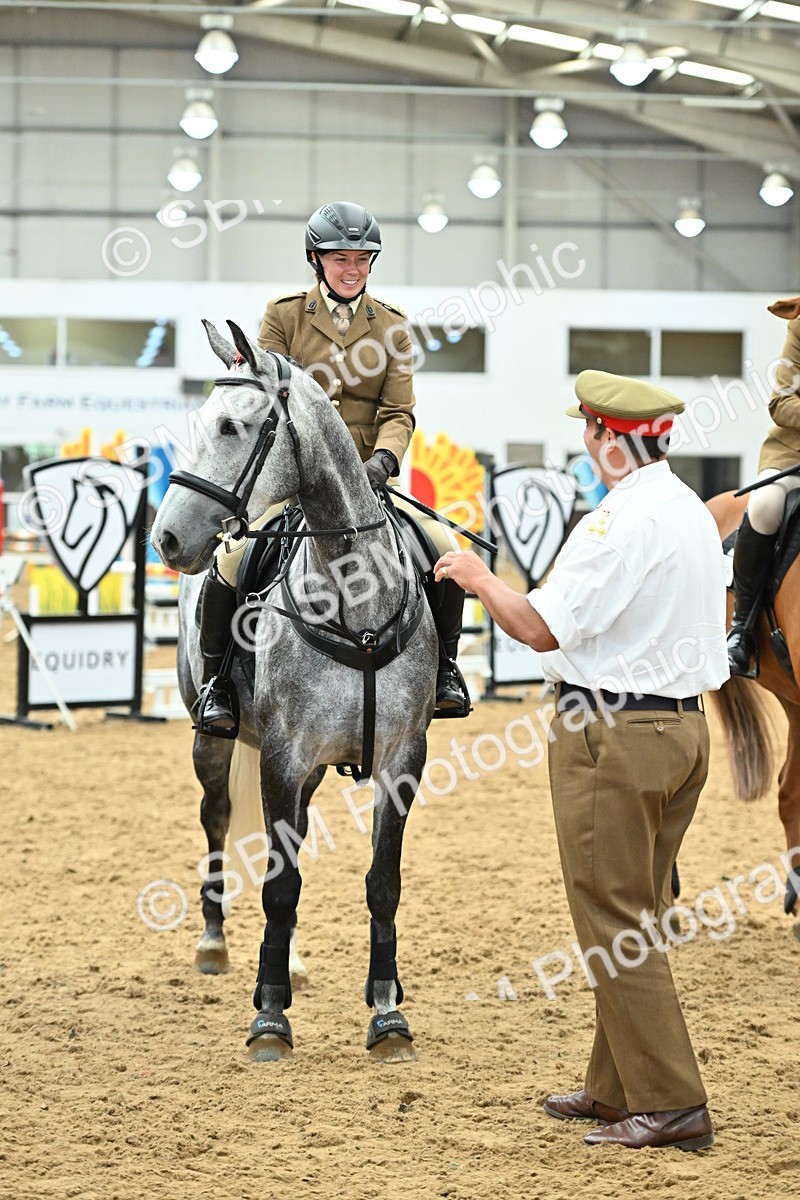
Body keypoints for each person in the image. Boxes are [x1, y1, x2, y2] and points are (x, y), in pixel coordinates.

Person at [434, 370, 729, 1152]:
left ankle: (670, 1103)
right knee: (635, 909)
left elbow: (537, 628)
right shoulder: (690, 513)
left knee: (612, 913)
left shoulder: (617, 520)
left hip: (614, 737)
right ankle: (616, 1086)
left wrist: (474, 574)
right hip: (683, 733)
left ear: (605, 438)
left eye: (588, 434)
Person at [197, 200, 467, 736]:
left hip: (369, 485)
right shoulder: (285, 314)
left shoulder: (392, 326)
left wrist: (383, 461)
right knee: (232, 561)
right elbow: (265, 394)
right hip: (294, 482)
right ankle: (218, 681)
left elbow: (398, 412)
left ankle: (444, 671)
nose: (352, 268)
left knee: (443, 549)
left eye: (362, 259)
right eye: (339, 257)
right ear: (316, 260)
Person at [727, 296, 800, 676]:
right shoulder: (799, 327)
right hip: (793, 455)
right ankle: (742, 630)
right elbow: (781, 403)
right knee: (764, 506)